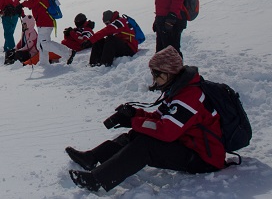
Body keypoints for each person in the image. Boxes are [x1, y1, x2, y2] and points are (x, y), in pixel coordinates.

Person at [67, 46, 225, 192]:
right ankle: (92, 157)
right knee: (138, 134)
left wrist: (134, 122)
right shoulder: (179, 90)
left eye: (156, 74)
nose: (154, 78)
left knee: (146, 144)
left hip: (204, 159)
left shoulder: (189, 97)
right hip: (188, 144)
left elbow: (165, 131)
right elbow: (159, 117)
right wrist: (135, 114)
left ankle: (96, 180)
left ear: (168, 72)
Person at [19, 0, 71, 66]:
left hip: (44, 20)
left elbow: (33, 2)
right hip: (47, 19)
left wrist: (22, 5)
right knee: (40, 44)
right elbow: (38, 3)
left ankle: (68, 53)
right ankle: (43, 63)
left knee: (44, 43)